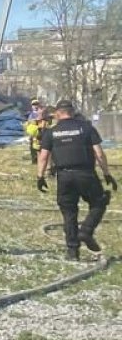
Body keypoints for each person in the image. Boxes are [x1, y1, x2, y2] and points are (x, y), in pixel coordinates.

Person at [37, 99, 115, 260]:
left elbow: (43, 157)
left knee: (69, 213)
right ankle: (86, 231)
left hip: (64, 176)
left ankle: (72, 252)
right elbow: (99, 153)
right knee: (99, 202)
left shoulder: (51, 132)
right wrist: (107, 173)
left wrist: (40, 177)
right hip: (86, 173)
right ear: (72, 112)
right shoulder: (86, 128)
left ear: (58, 113)